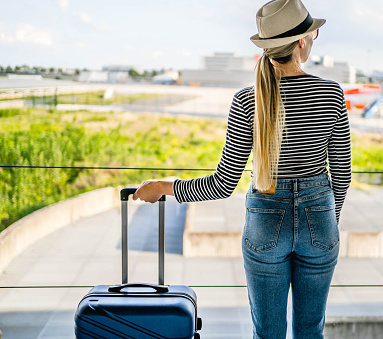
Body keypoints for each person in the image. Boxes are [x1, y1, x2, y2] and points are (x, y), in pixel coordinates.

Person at [133, 0, 351, 337]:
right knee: (311, 330)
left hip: (266, 223)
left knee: (267, 332)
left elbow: (222, 184)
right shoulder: (331, 93)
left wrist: (165, 186)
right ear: (302, 42)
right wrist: (324, 223)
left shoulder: (247, 100)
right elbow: (342, 177)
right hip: (320, 223)